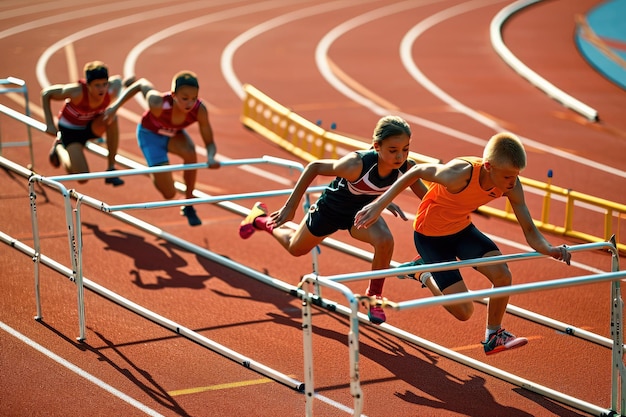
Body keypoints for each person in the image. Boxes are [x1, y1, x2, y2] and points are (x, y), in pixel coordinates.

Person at [354, 132, 571, 354]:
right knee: (464, 311)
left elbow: (529, 229)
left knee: (503, 275)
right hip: (430, 236)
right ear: (488, 166)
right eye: (507, 177)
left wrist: (549, 250)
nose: (512, 183)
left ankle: (494, 335)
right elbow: (416, 170)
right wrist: (379, 205)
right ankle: (423, 273)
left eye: (515, 176)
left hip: (461, 230)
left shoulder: (512, 185)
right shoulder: (458, 174)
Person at [238, 115, 427, 324]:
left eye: (406, 149)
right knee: (295, 248)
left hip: (359, 213)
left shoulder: (407, 168)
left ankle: (374, 297)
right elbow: (314, 167)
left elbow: (428, 200)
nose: (400, 156)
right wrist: (290, 207)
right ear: (377, 146)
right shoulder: (356, 164)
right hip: (330, 210)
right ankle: (260, 219)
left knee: (385, 241)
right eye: (393, 150)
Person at [121, 71, 220, 226]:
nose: (189, 103)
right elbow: (141, 85)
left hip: (173, 134)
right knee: (169, 194)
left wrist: (211, 157)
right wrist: (114, 108)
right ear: (173, 95)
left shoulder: (199, 109)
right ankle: (155, 170)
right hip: (150, 135)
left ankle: (188, 203)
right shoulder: (157, 102)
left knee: (190, 152)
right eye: (185, 98)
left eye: (194, 98)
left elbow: (209, 142)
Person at [42, 61, 132, 185]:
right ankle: (59, 148)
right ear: (88, 85)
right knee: (82, 178)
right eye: (97, 85)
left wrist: (128, 83)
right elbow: (46, 93)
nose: (102, 89)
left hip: (91, 126)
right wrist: (50, 124)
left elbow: (123, 84)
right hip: (71, 131)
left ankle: (111, 168)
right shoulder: (76, 91)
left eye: (104, 84)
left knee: (112, 117)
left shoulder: (114, 86)